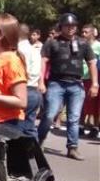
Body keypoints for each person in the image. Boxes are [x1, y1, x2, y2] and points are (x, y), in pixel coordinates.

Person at [37, 13, 98, 160]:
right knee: (50, 114)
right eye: (67, 25)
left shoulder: (83, 43)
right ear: (61, 26)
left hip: (76, 85)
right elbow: (43, 61)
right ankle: (39, 141)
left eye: (73, 26)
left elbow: (91, 63)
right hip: (56, 83)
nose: (70, 28)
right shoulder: (52, 42)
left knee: (74, 118)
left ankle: (72, 147)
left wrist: (95, 83)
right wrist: (40, 81)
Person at [18, 23, 43, 139]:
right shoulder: (34, 50)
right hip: (33, 90)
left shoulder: (18, 50)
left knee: (16, 126)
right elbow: (38, 71)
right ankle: (34, 153)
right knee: (29, 126)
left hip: (21, 90)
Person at [80, 24, 100, 137]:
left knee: (94, 103)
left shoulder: (98, 46)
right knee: (81, 103)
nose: (83, 34)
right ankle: (80, 126)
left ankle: (95, 127)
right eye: (82, 32)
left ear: (92, 33)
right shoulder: (80, 45)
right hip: (79, 77)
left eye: (86, 32)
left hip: (93, 78)